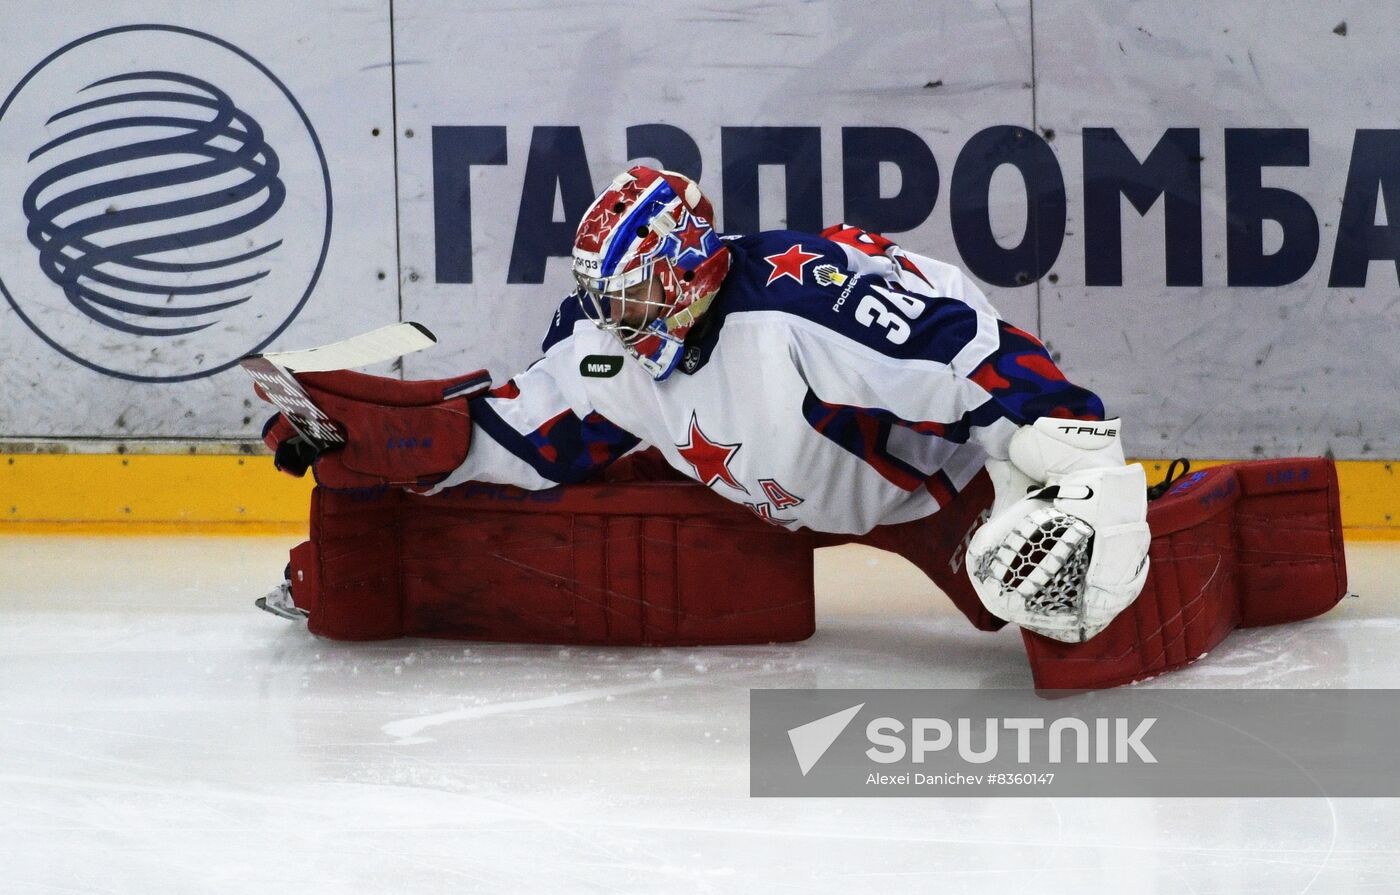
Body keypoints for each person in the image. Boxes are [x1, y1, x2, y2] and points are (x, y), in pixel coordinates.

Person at [265, 165, 1150, 643]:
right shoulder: (607, 342)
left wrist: (1073, 453)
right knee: (603, 510)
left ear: (695, 269)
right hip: (769, 496)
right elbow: (527, 440)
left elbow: (969, 352)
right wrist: (375, 439)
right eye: (605, 296)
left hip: (935, 485)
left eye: (638, 295)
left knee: (1032, 598)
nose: (617, 320)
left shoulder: (801, 310)